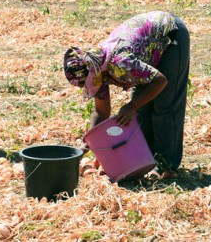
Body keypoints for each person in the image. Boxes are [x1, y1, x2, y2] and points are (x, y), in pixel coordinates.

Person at [63, 11, 190, 180]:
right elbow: (101, 113)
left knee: (165, 104)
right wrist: (89, 141)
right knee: (142, 108)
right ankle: (148, 160)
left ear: (90, 73)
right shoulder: (96, 70)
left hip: (169, 35)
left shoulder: (119, 61)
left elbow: (160, 81)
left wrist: (130, 107)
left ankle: (167, 165)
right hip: (147, 49)